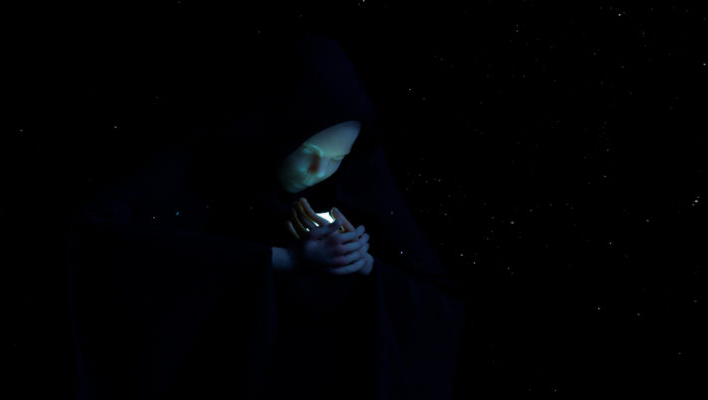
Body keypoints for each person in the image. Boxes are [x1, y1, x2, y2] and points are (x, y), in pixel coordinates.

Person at [67, 31, 467, 399]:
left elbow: (437, 306)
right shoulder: (196, 169)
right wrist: (282, 260)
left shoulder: (356, 191)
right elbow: (105, 249)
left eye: (337, 158)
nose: (319, 171)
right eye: (308, 153)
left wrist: (365, 267)